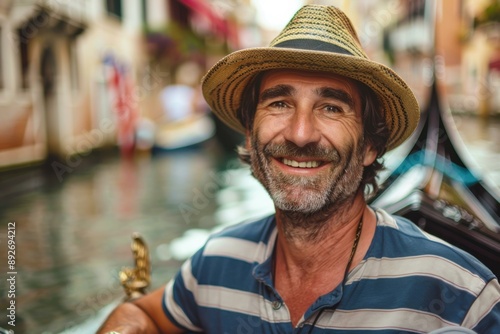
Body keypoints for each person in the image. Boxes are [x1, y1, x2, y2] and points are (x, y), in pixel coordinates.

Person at [98, 5, 500, 333]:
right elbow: (141, 315)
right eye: (279, 103)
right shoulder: (216, 263)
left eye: (330, 107)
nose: (301, 133)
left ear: (370, 146)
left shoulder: (460, 297)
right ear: (250, 137)